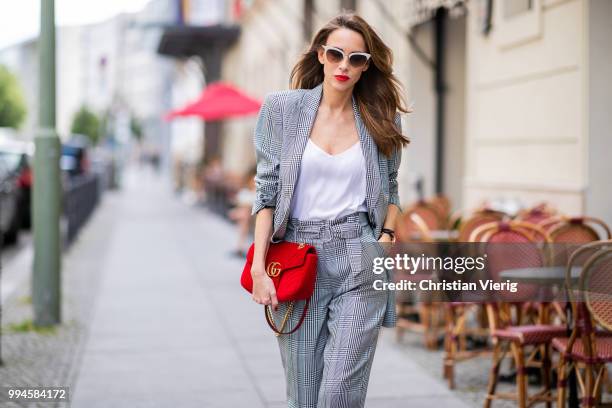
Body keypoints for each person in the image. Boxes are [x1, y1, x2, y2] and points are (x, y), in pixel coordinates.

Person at [249, 12, 410, 408]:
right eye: (336, 54)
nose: (344, 65)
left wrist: (384, 240)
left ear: (366, 66)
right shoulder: (282, 110)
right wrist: (258, 268)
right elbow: (266, 192)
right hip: (297, 259)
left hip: (359, 254)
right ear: (321, 54)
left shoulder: (378, 117)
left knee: (339, 393)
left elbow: (390, 189)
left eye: (357, 59)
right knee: (304, 396)